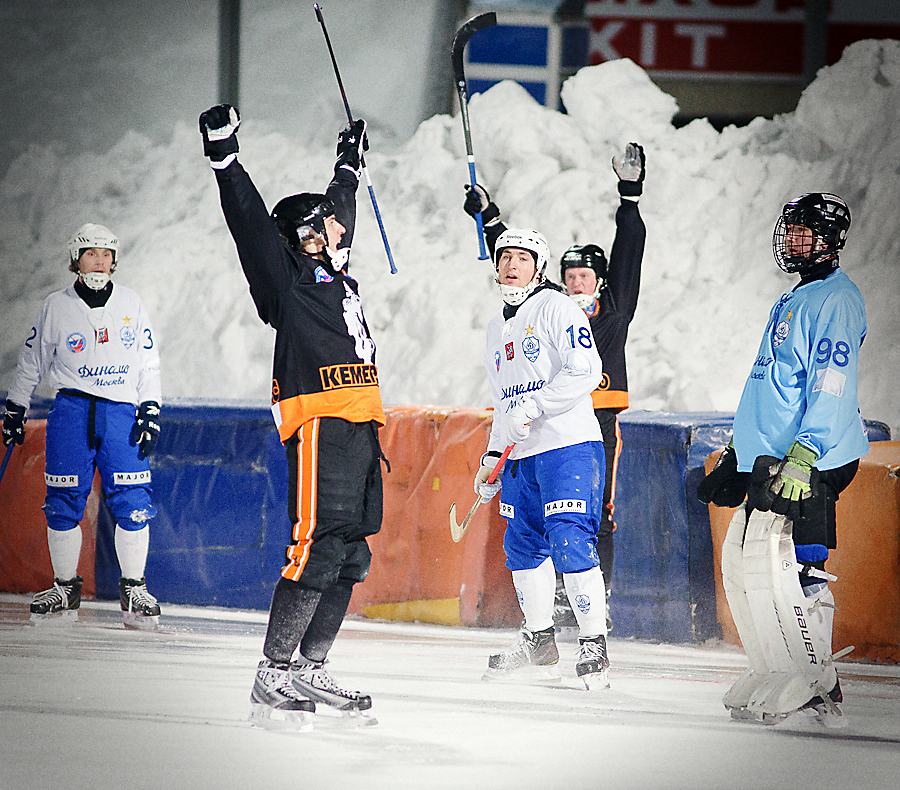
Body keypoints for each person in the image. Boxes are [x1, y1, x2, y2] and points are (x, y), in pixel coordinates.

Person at [200, 104, 386, 729]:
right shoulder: (284, 278)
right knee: (315, 546)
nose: (325, 235)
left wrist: (348, 165)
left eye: (325, 230)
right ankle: (272, 670)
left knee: (350, 550)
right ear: (292, 242)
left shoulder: (337, 270)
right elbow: (250, 223)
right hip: (319, 421)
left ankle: (310, 665)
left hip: (361, 422)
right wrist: (225, 154)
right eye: (310, 232)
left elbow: (340, 212)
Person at [697, 192, 867, 725]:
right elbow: (771, 384)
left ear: (829, 242)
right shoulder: (796, 297)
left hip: (811, 457)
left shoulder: (835, 300)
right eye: (788, 230)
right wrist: (738, 451)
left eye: (803, 233)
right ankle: (774, 666)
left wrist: (805, 451)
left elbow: (830, 384)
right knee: (745, 564)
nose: (791, 241)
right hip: (771, 457)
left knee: (791, 564)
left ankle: (816, 677)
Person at [464, 142, 646, 629]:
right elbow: (517, 264)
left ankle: (592, 601)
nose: (577, 284)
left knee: (592, 515)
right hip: (532, 432)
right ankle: (545, 622)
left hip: (591, 419)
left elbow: (626, 257)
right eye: (570, 277)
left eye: (586, 276)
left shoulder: (610, 308)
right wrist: (489, 220)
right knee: (528, 533)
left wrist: (629, 198)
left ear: (601, 283)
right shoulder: (543, 310)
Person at [2, 223, 163, 629]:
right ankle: (64, 588)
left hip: (120, 413)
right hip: (72, 411)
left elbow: (148, 362)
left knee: (132, 500)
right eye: (92, 253)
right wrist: (16, 407)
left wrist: (151, 408)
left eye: (107, 254)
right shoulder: (55, 305)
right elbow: (32, 360)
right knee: (62, 501)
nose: (100, 261)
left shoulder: (131, 302)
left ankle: (134, 590)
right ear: (76, 260)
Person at [472, 224, 610, 690]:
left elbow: (587, 371)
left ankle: (594, 642)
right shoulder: (495, 327)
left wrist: (536, 405)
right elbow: (502, 400)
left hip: (568, 446)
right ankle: (539, 637)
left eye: (523, 258)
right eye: (504, 256)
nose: (512, 264)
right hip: (520, 456)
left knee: (569, 539)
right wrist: (492, 457)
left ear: (538, 268)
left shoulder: (557, 307)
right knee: (522, 546)